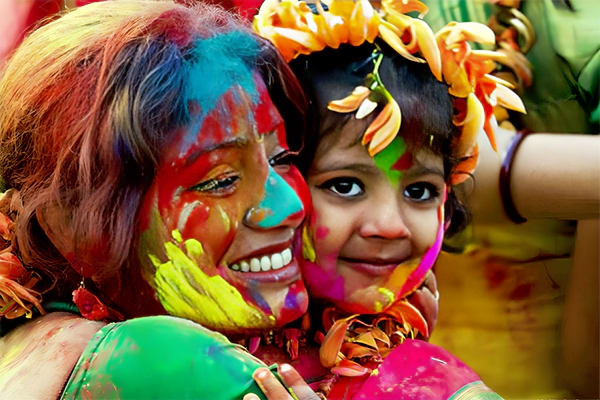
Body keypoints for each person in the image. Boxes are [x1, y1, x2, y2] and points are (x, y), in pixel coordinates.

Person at [0, 1, 319, 398]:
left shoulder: (28, 343)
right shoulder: (176, 364)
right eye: (221, 180)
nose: (290, 206)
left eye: (281, 159)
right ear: (71, 227)